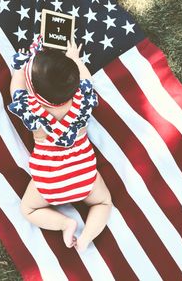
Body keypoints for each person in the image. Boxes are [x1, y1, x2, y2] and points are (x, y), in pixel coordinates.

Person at [8, 35, 112, 252]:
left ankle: (65, 223)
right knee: (103, 203)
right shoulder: (83, 100)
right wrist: (75, 58)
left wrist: (20, 65)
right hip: (83, 173)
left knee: (28, 210)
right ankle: (85, 239)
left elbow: (15, 90)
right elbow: (86, 79)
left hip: (49, 180)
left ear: (34, 91)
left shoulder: (30, 108)